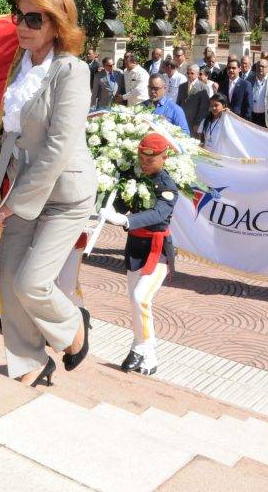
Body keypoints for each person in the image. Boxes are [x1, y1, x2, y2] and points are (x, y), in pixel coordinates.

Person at [0, 0, 95, 387]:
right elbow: (12, 139)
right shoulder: (18, 69)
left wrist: (14, 202)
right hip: (21, 186)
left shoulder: (72, 71)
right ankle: (29, 360)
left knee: (32, 282)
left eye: (35, 18)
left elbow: (58, 147)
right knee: (9, 278)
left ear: (56, 23)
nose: (23, 25)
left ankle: (73, 329)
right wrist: (1, 189)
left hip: (66, 194)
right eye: (20, 15)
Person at [99, 132, 179, 376]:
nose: (145, 163)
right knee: (135, 302)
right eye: (142, 158)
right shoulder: (132, 177)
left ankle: (144, 348)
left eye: (151, 160)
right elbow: (122, 201)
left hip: (157, 250)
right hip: (135, 247)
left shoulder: (168, 186)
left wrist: (125, 219)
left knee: (140, 298)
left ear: (164, 158)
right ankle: (142, 351)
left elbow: (157, 214)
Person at [178, 64, 211, 135]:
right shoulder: (181, 86)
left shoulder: (203, 87)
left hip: (194, 123)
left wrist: (198, 123)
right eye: (188, 73)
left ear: (198, 74)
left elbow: (204, 108)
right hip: (182, 121)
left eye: (192, 73)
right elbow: (178, 103)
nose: (189, 75)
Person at [247, 59, 268, 126]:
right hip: (252, 116)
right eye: (258, 66)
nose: (260, 68)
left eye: (263, 66)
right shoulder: (249, 79)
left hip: (267, 117)